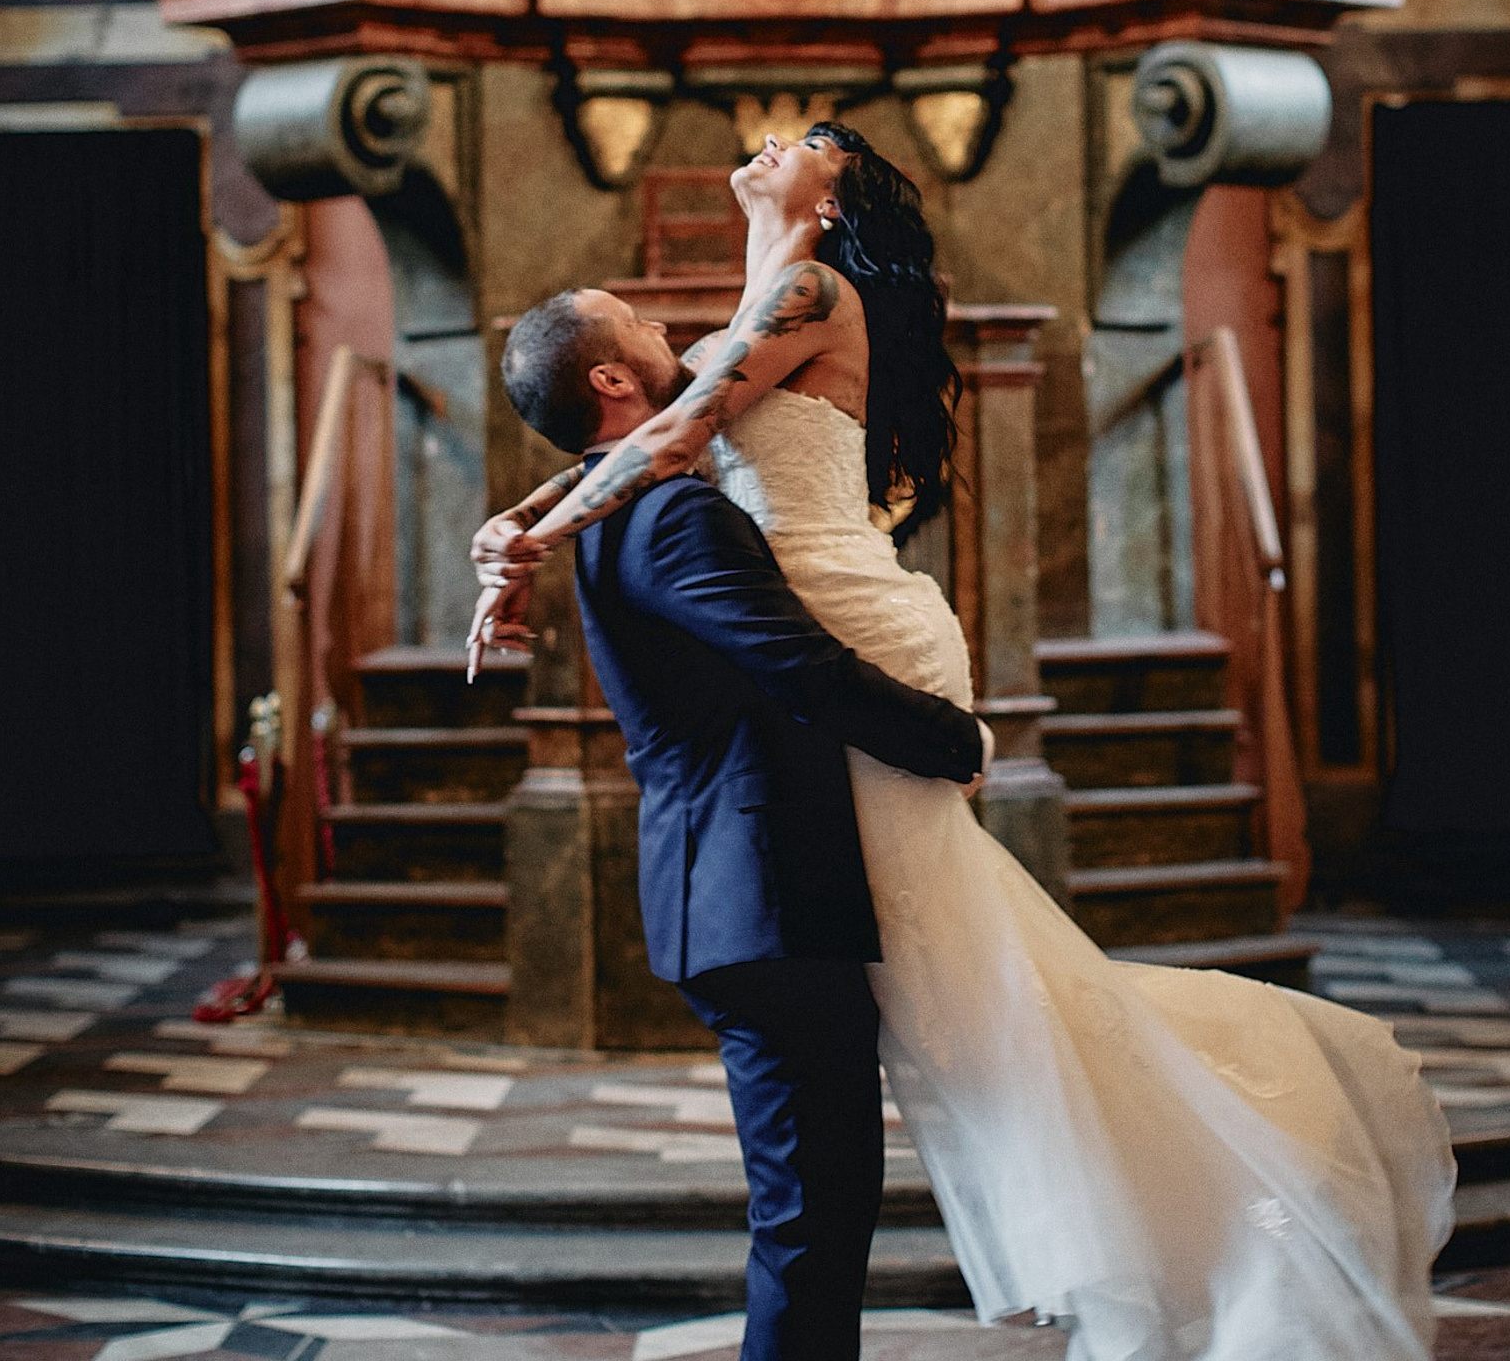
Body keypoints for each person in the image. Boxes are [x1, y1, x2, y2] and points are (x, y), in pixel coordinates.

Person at [476, 125, 1456, 1361]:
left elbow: (663, 440)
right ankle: (1164, 1172)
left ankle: (1179, 1189)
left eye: (814, 143)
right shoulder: (741, 328)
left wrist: (525, 544)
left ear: (831, 203)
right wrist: (506, 536)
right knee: (953, 1030)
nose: (785, 135)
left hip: (846, 649)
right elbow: (649, 436)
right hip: (799, 743)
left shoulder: (801, 294)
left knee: (856, 1130)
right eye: (639, 328)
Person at [495, 283, 988, 1361]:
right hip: (764, 895)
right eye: (645, 326)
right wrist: (955, 740)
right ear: (614, 380)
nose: (674, 335)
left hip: (736, 894)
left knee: (816, 1219)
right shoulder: (672, 517)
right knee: (811, 1229)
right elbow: (800, 668)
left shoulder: (613, 505)